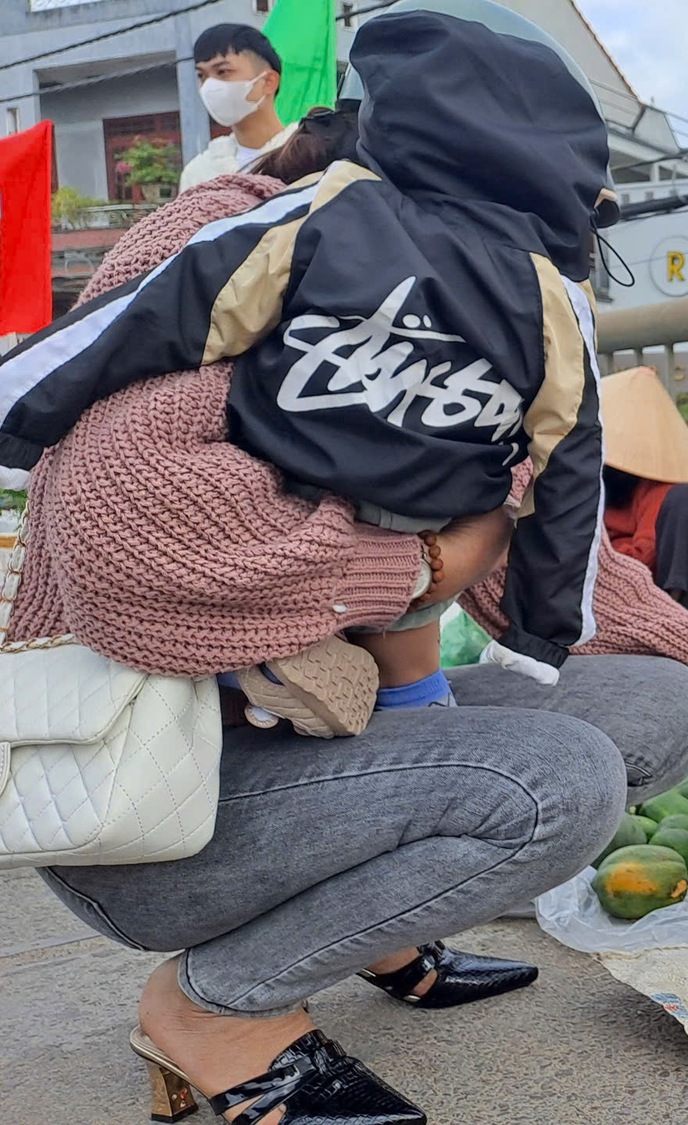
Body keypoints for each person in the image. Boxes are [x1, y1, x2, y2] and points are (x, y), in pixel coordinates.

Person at [7, 5, 688, 1123]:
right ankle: (214, 1009)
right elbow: (130, 534)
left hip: (308, 747)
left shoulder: (476, 298)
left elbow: (523, 538)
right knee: (555, 785)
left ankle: (363, 937)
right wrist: (422, 565)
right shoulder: (249, 244)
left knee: (661, 708)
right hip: (149, 799)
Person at [2, 6, 621, 735]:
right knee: (423, 665)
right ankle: (409, 704)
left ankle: (269, 662)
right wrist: (541, 633)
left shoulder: (326, 208)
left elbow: (158, 309)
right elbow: (573, 465)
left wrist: (18, 409)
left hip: (291, 478)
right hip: (430, 518)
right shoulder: (556, 293)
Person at [600, 365, 688, 609]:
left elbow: (644, 558)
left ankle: (678, 623)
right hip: (621, 596)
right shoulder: (598, 485)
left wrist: (604, 557)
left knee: (687, 499)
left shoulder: (671, 487)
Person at [178, 25, 297, 191]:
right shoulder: (199, 173)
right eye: (202, 76)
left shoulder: (308, 155)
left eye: (223, 71)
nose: (209, 86)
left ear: (268, 81)